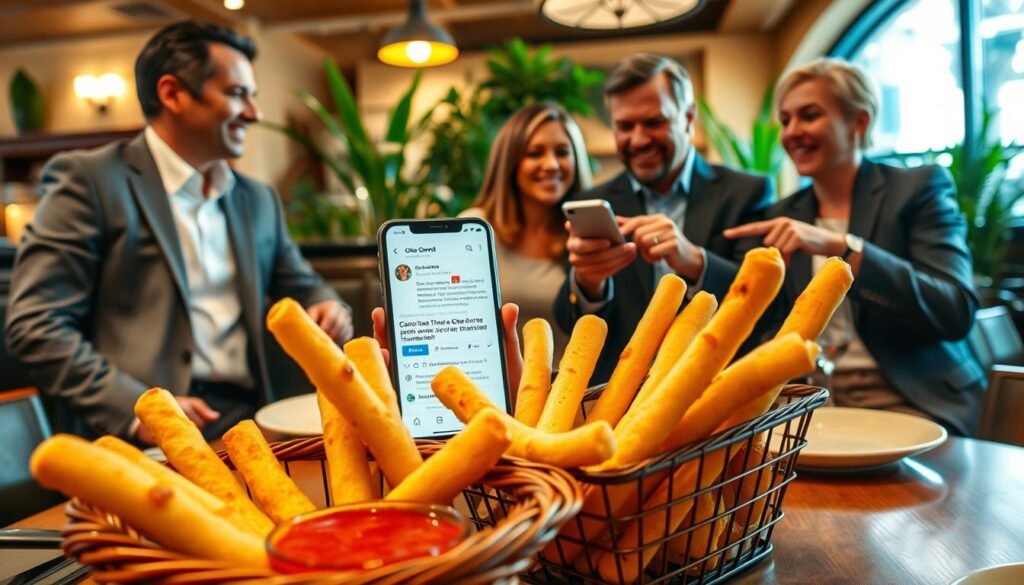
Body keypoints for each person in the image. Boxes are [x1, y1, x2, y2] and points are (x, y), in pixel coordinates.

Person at [4, 21, 352, 443]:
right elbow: (35, 325)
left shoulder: (257, 199)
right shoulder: (90, 181)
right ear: (172, 93)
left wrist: (326, 305)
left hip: (250, 417)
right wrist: (139, 410)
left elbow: (304, 285)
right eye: (237, 93)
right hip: (134, 431)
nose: (255, 113)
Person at [724, 58, 984, 436]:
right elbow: (750, 312)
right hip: (803, 396)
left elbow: (954, 308)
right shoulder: (780, 215)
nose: (792, 131)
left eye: (809, 115)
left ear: (858, 122)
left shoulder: (919, 188)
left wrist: (844, 247)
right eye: (785, 120)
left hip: (904, 394)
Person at [554, 53, 774, 383]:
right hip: (619, 402)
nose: (639, 140)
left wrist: (696, 262)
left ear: (687, 118)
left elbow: (767, 304)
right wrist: (588, 282)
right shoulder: (589, 203)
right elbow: (567, 320)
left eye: (654, 122)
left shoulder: (745, 192)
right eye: (625, 126)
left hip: (715, 393)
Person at [462, 103, 592, 362]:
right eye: (535, 153)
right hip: (495, 392)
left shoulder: (587, 231)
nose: (551, 164)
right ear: (509, 162)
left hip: (570, 391)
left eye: (563, 152)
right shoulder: (474, 229)